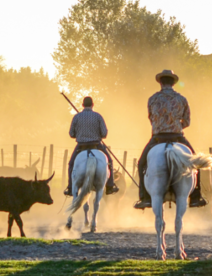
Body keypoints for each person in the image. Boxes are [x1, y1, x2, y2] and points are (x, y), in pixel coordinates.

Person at [134, 69, 206, 209]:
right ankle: (196, 196)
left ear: (160, 83)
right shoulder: (182, 99)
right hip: (177, 137)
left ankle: (145, 197)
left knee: (142, 164)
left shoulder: (153, 98)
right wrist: (176, 126)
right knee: (195, 163)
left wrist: (160, 126)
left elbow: (151, 118)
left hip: (157, 138)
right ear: (173, 83)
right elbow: (187, 121)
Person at [64, 96, 119, 196]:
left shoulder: (77, 117)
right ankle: (110, 186)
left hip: (81, 146)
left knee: (71, 164)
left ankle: (71, 187)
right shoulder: (98, 116)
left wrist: (81, 134)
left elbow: (71, 134)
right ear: (93, 105)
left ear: (82, 105)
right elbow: (104, 133)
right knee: (110, 162)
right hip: (96, 145)